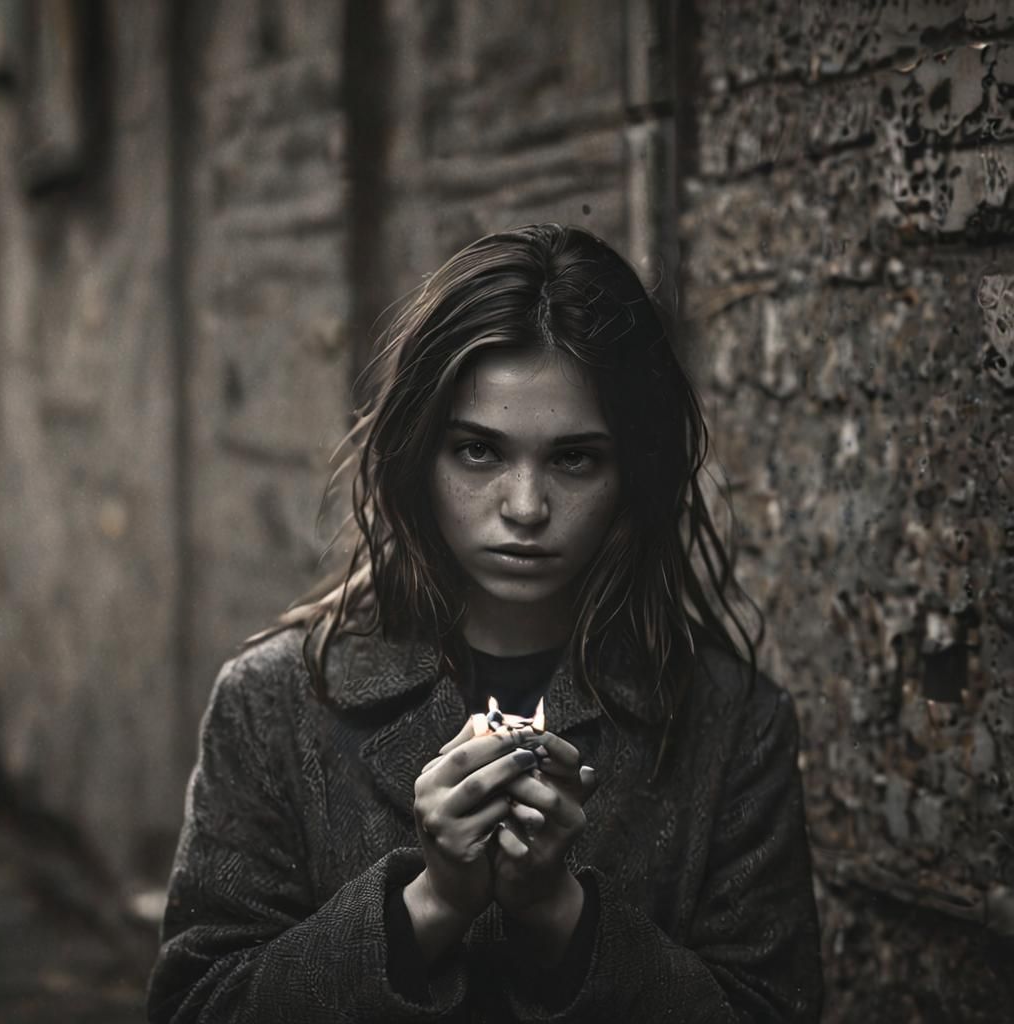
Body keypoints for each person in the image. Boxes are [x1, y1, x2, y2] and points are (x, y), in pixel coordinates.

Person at [146, 224, 823, 1022]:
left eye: (575, 458)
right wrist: (429, 903)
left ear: (633, 471)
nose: (526, 508)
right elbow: (198, 1006)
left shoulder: (728, 721)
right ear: (416, 454)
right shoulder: (275, 703)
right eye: (479, 452)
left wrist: (559, 914)